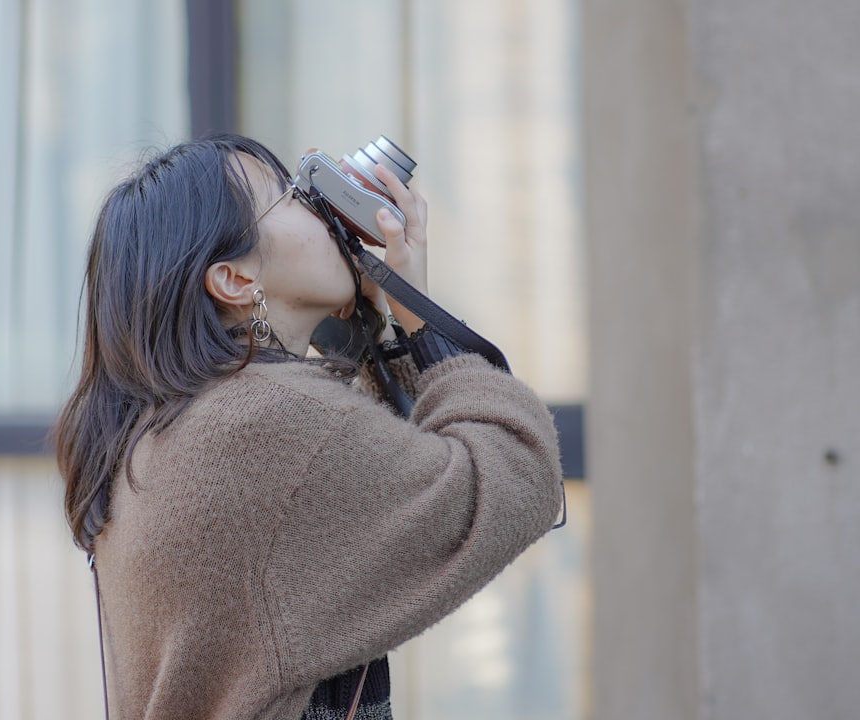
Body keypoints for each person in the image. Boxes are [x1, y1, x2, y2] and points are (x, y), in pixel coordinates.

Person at [53, 132, 563, 720]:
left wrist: (372, 318)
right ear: (236, 280)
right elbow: (513, 472)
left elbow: (386, 473)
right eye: (293, 195)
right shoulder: (265, 427)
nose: (325, 209)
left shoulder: (169, 428)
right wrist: (420, 316)